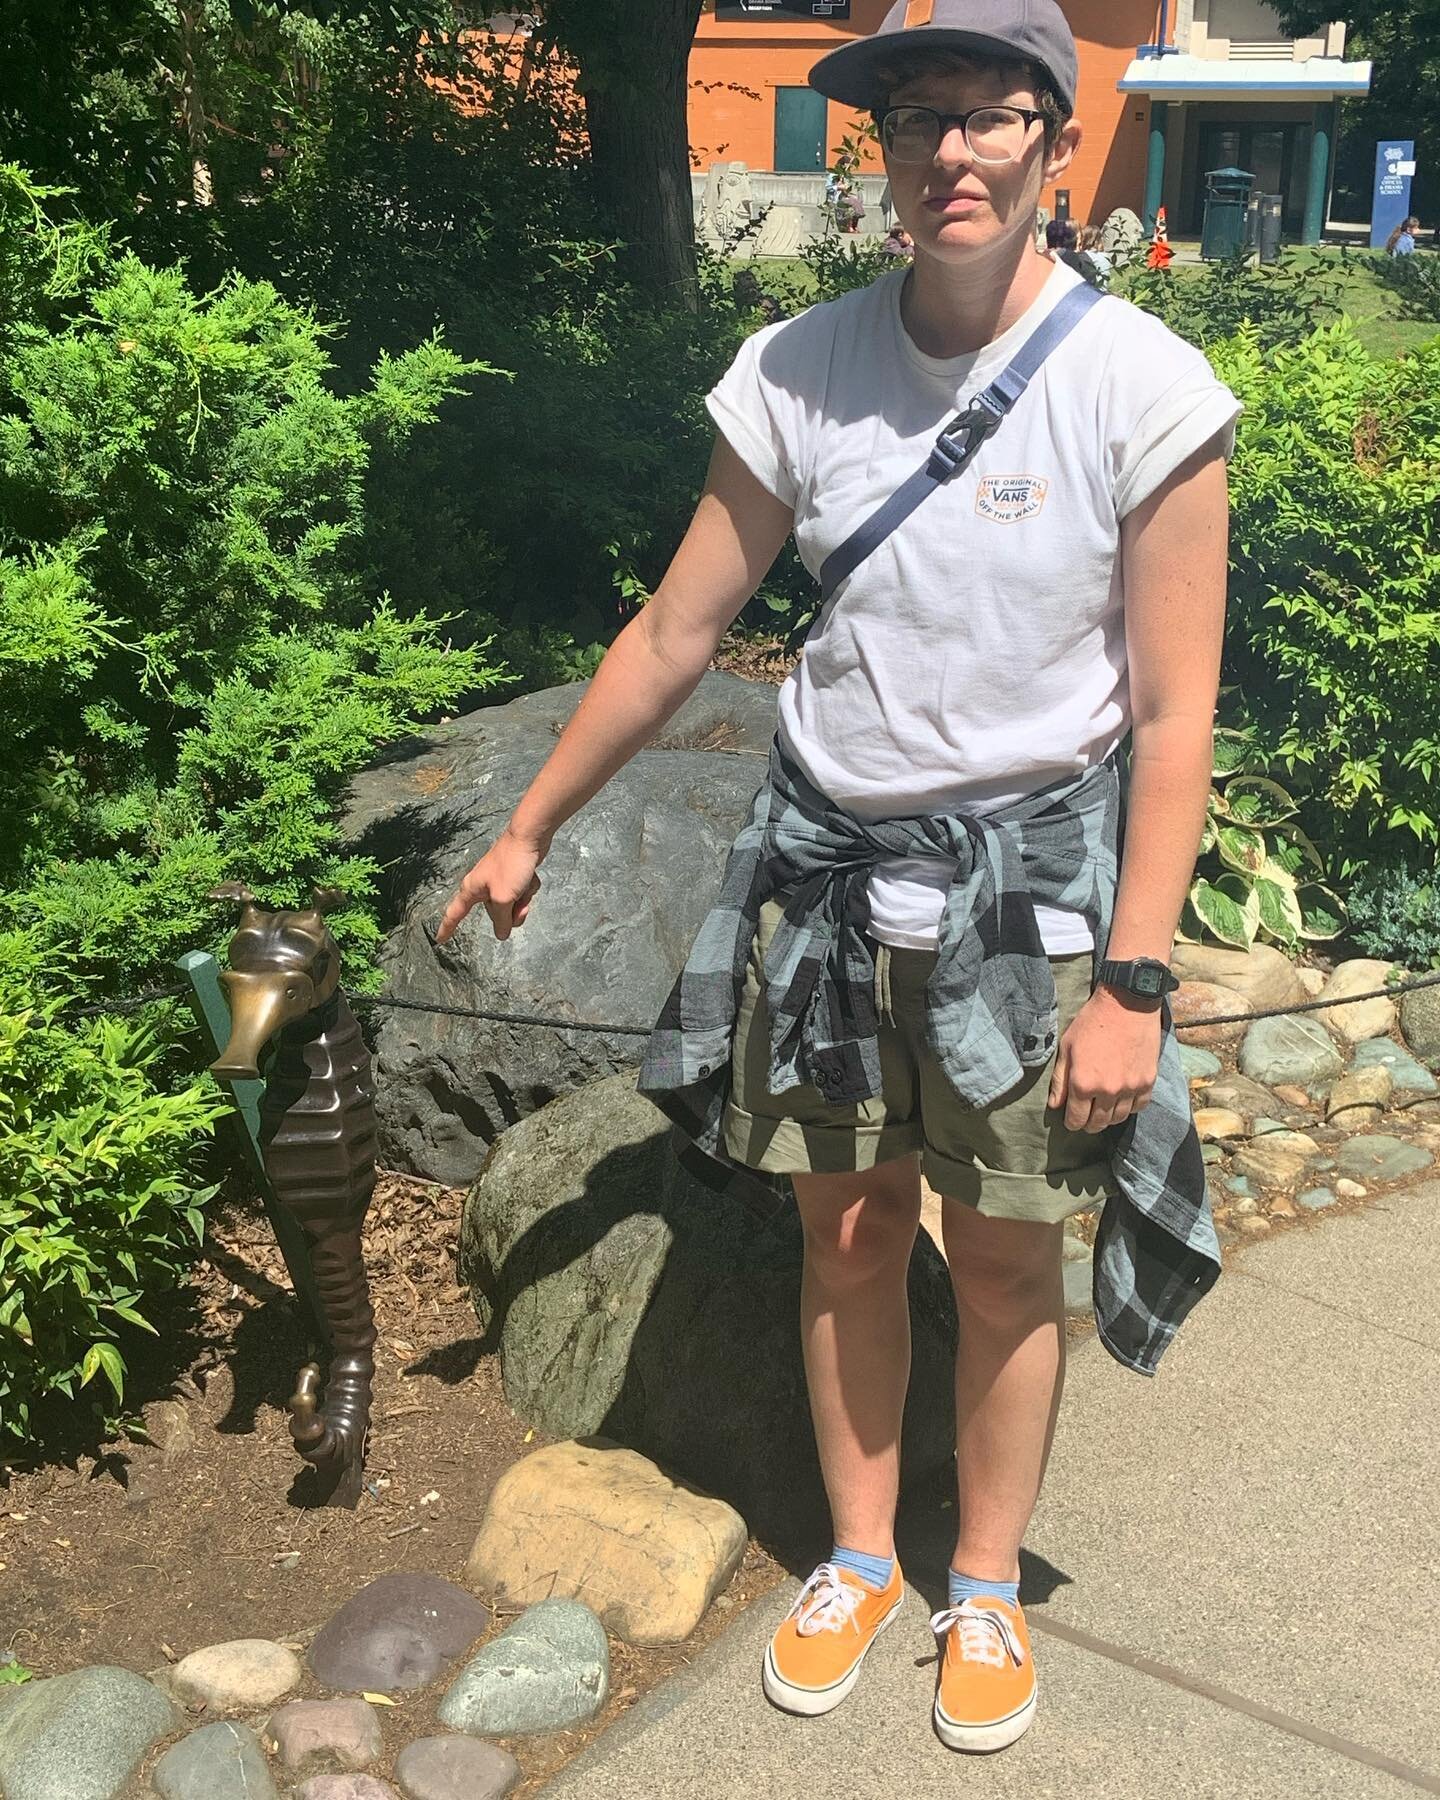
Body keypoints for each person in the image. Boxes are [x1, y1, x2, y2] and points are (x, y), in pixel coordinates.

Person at [438, 0, 1237, 1759]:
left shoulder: (1146, 386)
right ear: (879, 150)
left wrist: (1135, 980)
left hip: (1028, 904)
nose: (945, 152)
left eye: (984, 117)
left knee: (1011, 1264)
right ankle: (861, 1556)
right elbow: (678, 627)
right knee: (848, 1230)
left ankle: (984, 1581)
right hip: (822, 885)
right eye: (911, 120)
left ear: (1049, 134)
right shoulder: (800, 368)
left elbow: (1175, 716)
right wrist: (533, 822)